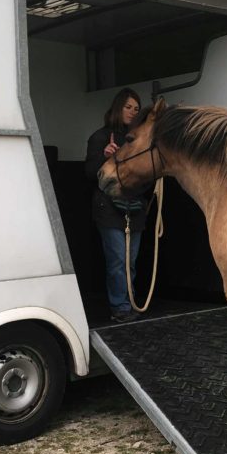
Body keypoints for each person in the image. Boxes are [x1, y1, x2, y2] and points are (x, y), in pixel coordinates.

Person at [85, 88, 148, 323]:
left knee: (129, 261)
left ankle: (128, 303)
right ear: (117, 107)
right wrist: (105, 157)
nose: (132, 111)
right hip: (109, 210)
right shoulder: (100, 137)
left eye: (136, 108)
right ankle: (120, 307)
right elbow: (90, 173)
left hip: (134, 209)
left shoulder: (139, 140)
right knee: (118, 261)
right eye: (128, 107)